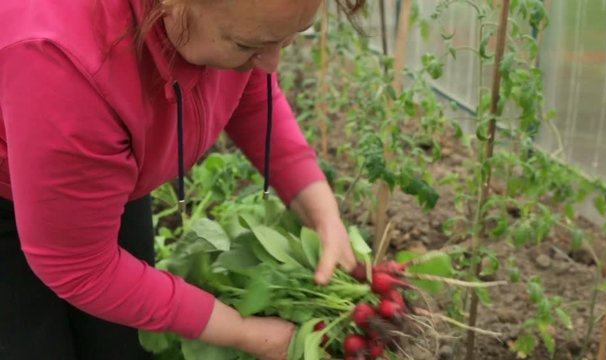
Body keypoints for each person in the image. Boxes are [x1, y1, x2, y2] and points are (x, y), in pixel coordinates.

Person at [0, 0, 363, 359]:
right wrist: (241, 331)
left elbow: (252, 97)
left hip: (100, 175)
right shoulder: (62, 61)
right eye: (247, 45)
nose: (271, 64)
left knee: (121, 341)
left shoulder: (223, 19)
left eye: (286, 40)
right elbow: (81, 268)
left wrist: (323, 214)